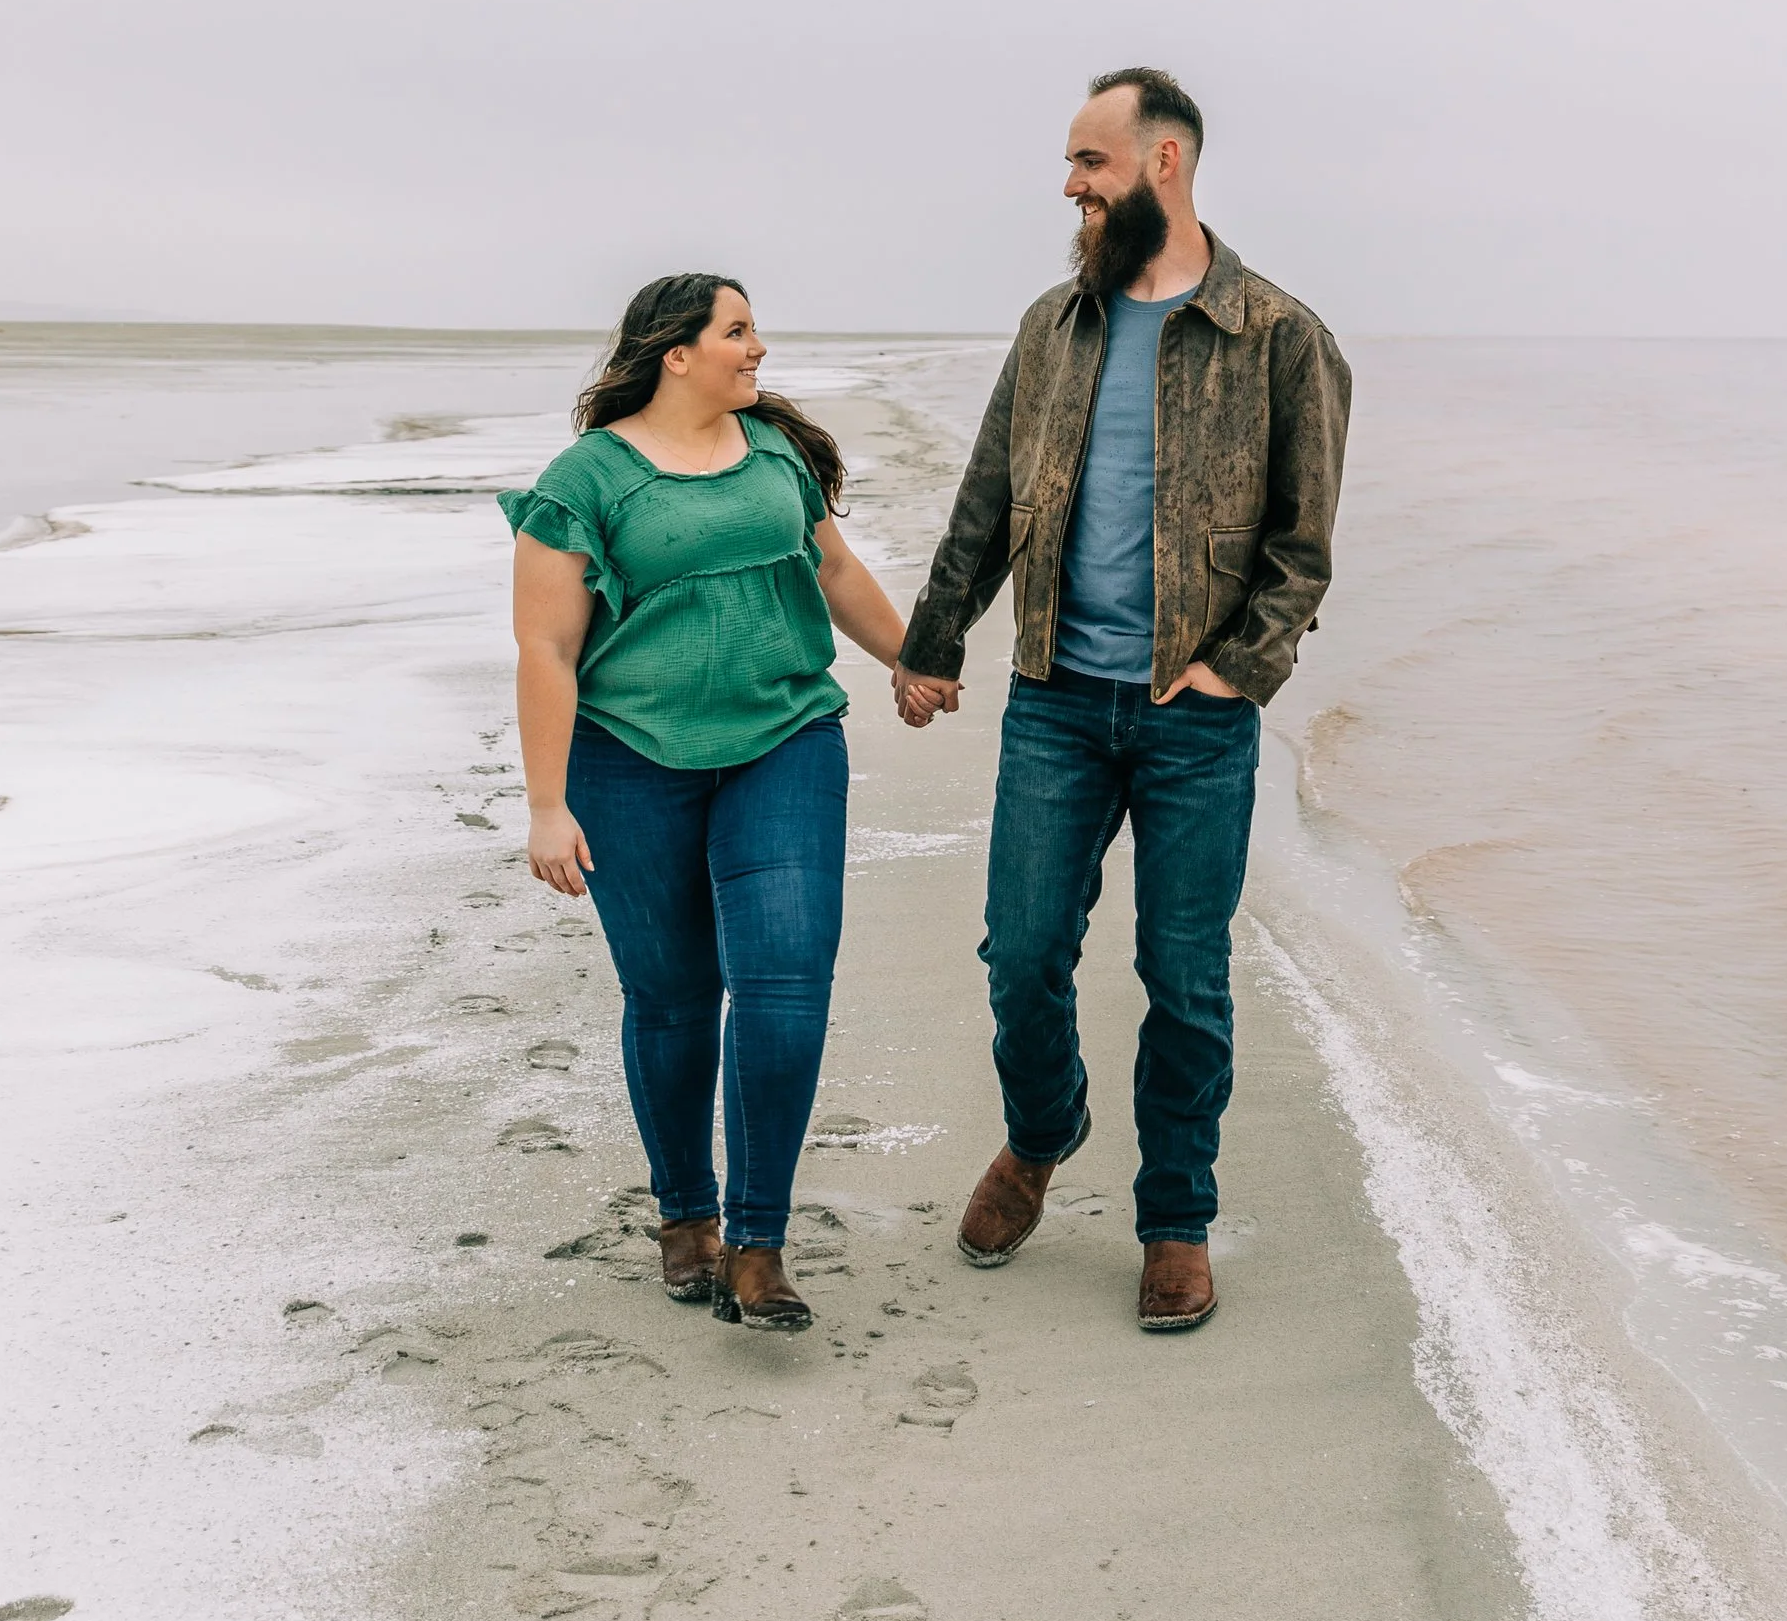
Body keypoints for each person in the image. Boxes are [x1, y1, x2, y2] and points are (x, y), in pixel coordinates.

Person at [894, 69, 1351, 1334]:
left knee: (1184, 980)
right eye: (1070, 163)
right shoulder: (1054, 325)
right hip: (1053, 699)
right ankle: (1042, 1133)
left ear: (1163, 163)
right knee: (1021, 954)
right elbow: (988, 498)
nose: (1069, 186)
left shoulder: (1279, 335)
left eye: (1089, 162)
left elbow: (1303, 546)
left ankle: (1175, 1219)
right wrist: (934, 642)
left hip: (1194, 718)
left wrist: (1236, 669)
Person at [503, 273, 914, 1331]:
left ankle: (757, 1245)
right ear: (675, 353)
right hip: (628, 761)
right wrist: (546, 805)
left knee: (784, 984)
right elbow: (546, 648)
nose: (758, 347)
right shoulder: (587, 479)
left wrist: (911, 660)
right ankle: (685, 1215)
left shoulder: (775, 454)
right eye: (738, 331)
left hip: (785, 741)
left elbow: (833, 569)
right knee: (675, 1000)